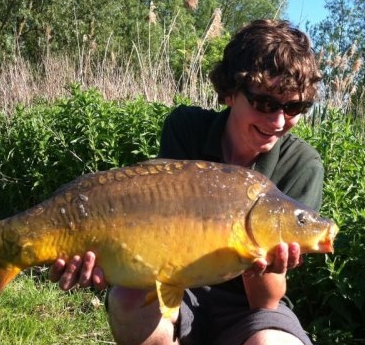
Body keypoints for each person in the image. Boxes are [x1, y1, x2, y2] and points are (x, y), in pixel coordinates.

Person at [49, 19, 323, 345]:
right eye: (265, 102)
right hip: (179, 286)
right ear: (231, 93)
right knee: (126, 301)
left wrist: (260, 258)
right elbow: (154, 242)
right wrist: (101, 258)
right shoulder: (187, 128)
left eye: (293, 106)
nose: (278, 121)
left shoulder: (302, 164)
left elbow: (265, 302)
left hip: (248, 309)